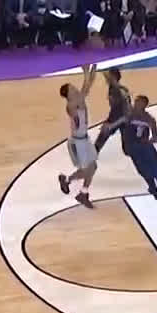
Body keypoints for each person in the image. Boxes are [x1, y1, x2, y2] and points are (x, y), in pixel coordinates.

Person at [125, 95, 157, 224]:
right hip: (137, 152)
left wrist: (146, 142)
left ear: (144, 105)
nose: (136, 104)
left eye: (138, 103)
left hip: (146, 151)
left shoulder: (149, 119)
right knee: (151, 182)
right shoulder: (129, 116)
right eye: (136, 102)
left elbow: (156, 138)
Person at [57, 64, 99, 209]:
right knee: (89, 169)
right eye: (72, 88)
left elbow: (88, 86)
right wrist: (86, 72)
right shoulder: (71, 105)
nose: (75, 88)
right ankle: (82, 192)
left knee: (92, 167)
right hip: (78, 143)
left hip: (84, 139)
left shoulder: (78, 99)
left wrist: (94, 68)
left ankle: (71, 184)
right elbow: (86, 87)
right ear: (68, 94)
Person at [94, 67, 132, 154]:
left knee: (127, 149)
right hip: (114, 116)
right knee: (103, 135)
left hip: (123, 119)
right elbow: (107, 76)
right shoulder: (112, 87)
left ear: (113, 77)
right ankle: (92, 154)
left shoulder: (121, 92)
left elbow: (127, 115)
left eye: (109, 76)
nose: (107, 78)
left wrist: (112, 125)